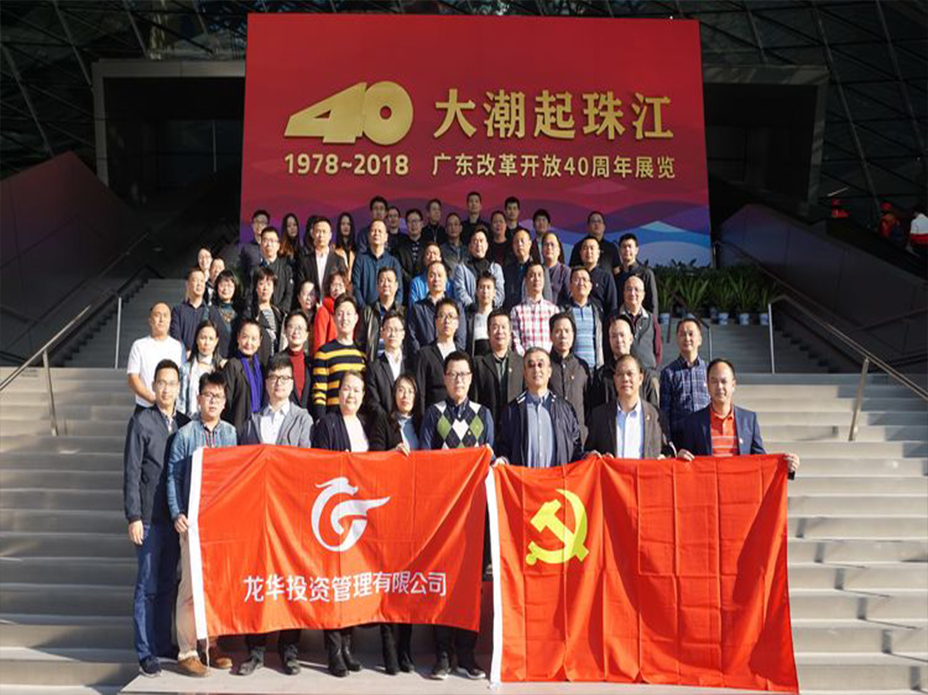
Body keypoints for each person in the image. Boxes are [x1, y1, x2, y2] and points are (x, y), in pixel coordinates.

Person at [238, 355, 313, 677]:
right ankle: (255, 649)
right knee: (259, 579)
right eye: (273, 378)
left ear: (293, 384)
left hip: (291, 513)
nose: (279, 383)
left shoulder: (303, 419)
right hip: (257, 513)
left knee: (290, 581)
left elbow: (304, 462)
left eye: (284, 378)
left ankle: (289, 649)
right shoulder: (252, 422)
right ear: (266, 382)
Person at [420, 351, 492, 681]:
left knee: (470, 586)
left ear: (471, 379)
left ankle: (466, 653)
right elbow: (424, 461)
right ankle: (442, 655)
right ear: (444, 378)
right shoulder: (433, 414)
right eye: (453, 374)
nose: (458, 380)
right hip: (442, 514)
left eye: (463, 374)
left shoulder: (483, 415)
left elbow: (490, 459)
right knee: (441, 582)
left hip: (474, 515)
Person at [166, 372, 237, 677]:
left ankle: (211, 644)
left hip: (219, 525)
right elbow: (172, 477)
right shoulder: (185, 435)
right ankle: (187, 650)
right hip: (192, 524)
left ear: (225, 402)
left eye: (218, 396)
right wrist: (177, 513)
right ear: (198, 399)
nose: (213, 401)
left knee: (216, 587)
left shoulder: (230, 434)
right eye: (208, 395)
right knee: (190, 588)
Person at [124, 359, 189, 677]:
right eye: (161, 383)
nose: (166, 389)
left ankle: (163, 643)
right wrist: (133, 516)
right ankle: (146, 651)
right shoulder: (141, 421)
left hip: (175, 518)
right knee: (147, 586)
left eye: (172, 383)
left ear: (179, 387)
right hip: (149, 519)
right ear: (153, 386)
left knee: (167, 584)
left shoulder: (185, 423)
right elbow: (132, 471)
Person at [311, 371, 375, 678]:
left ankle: (348, 646)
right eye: (347, 389)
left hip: (358, 516)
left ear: (363, 396)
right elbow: (321, 463)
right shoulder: (327, 424)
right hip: (333, 514)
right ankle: (333, 650)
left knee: (350, 583)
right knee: (334, 582)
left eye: (357, 390)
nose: (351, 395)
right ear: (338, 393)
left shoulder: (364, 424)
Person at [367, 373, 419, 675]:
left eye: (410, 391)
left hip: (415, 512)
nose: (405, 395)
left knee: (409, 582)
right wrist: (392, 455)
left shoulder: (423, 422)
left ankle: (405, 649)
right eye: (400, 390)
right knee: (389, 580)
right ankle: (388, 648)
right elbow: (373, 460)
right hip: (388, 510)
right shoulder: (383, 423)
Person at [675, 359, 801, 479]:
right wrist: (680, 460)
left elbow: (761, 462)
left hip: (740, 490)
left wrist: (785, 467)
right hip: (708, 490)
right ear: (707, 385)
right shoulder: (694, 422)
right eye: (714, 381)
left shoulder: (748, 420)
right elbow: (686, 467)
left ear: (733, 385)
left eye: (724, 381)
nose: (719, 386)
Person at [495, 347, 582, 467]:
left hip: (557, 478)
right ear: (524, 373)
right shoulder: (512, 411)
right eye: (531, 365)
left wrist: (589, 457)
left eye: (541, 365)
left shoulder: (566, 410)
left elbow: (576, 451)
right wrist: (503, 460)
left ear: (549, 371)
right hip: (524, 478)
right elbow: (504, 448)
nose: (536, 369)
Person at [585, 354, 674, 458]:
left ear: (640, 378)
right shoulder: (599, 417)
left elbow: (667, 451)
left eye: (630, 374)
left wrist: (665, 457)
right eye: (620, 374)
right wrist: (592, 456)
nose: (625, 379)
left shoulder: (656, 417)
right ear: (615, 379)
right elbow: (588, 452)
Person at [311, 295, 366, 419]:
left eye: (348, 314)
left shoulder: (362, 355)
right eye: (340, 314)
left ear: (356, 318)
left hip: (357, 421)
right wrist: (322, 421)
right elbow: (319, 393)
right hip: (333, 420)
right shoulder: (324, 353)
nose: (344, 318)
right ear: (334, 318)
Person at [588, 315, 658, 412]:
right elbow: (595, 413)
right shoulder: (601, 376)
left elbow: (653, 412)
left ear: (631, 338)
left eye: (622, 335)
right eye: (614, 336)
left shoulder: (643, 374)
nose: (619, 340)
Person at [127, 303, 185, 412]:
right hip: (145, 407)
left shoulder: (178, 347)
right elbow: (132, 378)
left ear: (170, 320)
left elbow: (182, 376)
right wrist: (153, 399)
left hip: (171, 409)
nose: (161, 319)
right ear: (150, 320)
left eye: (165, 315)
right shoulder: (139, 345)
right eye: (158, 315)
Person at [472, 309, 524, 429]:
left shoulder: (520, 362)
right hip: (487, 427)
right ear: (488, 332)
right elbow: (474, 400)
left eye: (503, 327)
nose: (500, 331)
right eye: (495, 327)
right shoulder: (478, 363)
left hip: (515, 427)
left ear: (510, 332)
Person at [660, 318, 710, 442]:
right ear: (677, 339)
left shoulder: (709, 370)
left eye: (691, 334)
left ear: (700, 339)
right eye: (682, 334)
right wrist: (668, 442)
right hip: (681, 438)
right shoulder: (669, 373)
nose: (687, 338)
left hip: (706, 436)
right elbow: (665, 412)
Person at [548, 312, 591, 442]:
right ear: (551, 335)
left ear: (573, 334)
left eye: (567, 331)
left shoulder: (582, 367)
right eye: (558, 331)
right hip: (552, 434)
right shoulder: (545, 366)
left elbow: (588, 403)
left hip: (579, 437)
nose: (563, 335)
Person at [414, 298, 463, 408]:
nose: (447, 321)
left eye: (451, 316)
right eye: (442, 316)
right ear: (435, 322)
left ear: (457, 323)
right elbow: (420, 393)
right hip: (433, 415)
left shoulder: (462, 357)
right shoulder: (424, 354)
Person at [409, 261, 466, 352]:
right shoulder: (417, 308)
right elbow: (412, 337)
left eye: (440, 275)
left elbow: (460, 339)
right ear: (426, 279)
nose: (436, 279)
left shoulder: (456, 306)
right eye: (432, 275)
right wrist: (423, 356)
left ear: (446, 279)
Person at [619, 276, 662, 394]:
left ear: (643, 295)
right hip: (624, 377)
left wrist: (653, 371)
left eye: (636, 289)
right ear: (623, 293)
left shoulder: (651, 319)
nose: (632, 293)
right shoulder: (615, 318)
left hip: (649, 376)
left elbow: (658, 350)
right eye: (628, 289)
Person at [221, 319, 264, 434]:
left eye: (254, 339)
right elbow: (226, 403)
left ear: (259, 341)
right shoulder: (232, 365)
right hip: (237, 429)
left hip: (259, 429)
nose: (249, 343)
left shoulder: (261, 367)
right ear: (238, 338)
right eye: (245, 337)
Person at [352, 220, 404, 307]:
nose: (376, 233)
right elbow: (355, 288)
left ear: (386, 237)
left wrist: (393, 309)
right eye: (373, 231)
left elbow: (399, 290)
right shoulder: (360, 260)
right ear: (368, 236)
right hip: (365, 312)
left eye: (380, 231)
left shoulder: (393, 262)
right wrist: (365, 310)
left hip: (389, 312)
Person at [510, 262, 559, 355]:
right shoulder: (516, 311)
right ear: (526, 280)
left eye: (540, 275)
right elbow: (516, 341)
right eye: (532, 275)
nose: (536, 279)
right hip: (525, 361)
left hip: (548, 360)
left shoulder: (553, 310)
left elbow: (556, 340)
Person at [561, 265, 604, 369]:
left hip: (595, 368)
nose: (581, 283)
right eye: (576, 280)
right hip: (573, 369)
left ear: (590, 286)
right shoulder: (564, 311)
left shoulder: (598, 312)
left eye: (584, 280)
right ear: (570, 286)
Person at [358, 266, 404, 363]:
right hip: (374, 365)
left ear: (396, 286)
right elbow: (360, 342)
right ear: (377, 286)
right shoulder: (368, 312)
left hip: (397, 365)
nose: (386, 284)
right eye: (382, 281)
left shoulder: (403, 312)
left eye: (389, 281)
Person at [178, 321, 224, 417]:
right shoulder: (185, 370)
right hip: (189, 421)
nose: (206, 343)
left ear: (216, 342)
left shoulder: (221, 370)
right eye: (203, 338)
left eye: (211, 339)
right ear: (196, 340)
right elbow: (180, 404)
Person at [365, 310, 406, 414]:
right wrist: (388, 421)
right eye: (388, 329)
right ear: (382, 333)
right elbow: (373, 402)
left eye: (396, 330)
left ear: (403, 334)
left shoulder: (411, 364)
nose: (392, 334)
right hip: (384, 421)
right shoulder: (374, 368)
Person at [299, 217, 347, 304]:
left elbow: (343, 286)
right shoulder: (305, 261)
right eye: (318, 231)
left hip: (332, 307)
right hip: (311, 307)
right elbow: (301, 286)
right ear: (312, 234)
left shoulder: (338, 260)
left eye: (324, 232)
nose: (321, 235)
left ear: (330, 235)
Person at [454, 226, 504, 309]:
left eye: (481, 241)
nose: (478, 244)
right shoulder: (461, 269)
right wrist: (471, 306)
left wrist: (488, 306)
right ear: (470, 247)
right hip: (469, 313)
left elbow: (500, 291)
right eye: (475, 241)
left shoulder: (495, 268)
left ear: (487, 245)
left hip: (492, 312)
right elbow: (459, 291)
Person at [502, 228, 552, 309]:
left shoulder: (540, 268)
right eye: (516, 242)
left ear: (529, 244)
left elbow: (547, 297)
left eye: (522, 241)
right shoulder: (507, 270)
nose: (519, 244)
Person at [249, 226, 293, 312]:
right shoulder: (255, 270)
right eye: (265, 240)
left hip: (281, 314)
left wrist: (278, 312)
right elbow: (250, 295)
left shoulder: (286, 268)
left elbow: (289, 294)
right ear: (261, 245)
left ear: (278, 245)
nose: (268, 244)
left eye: (272, 241)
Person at [615, 233, 659, 316]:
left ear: (636, 250)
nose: (627, 249)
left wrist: (653, 321)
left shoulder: (646, 273)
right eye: (624, 247)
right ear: (619, 250)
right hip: (622, 320)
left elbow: (653, 303)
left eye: (630, 246)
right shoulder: (617, 276)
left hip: (642, 320)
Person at [575, 235, 618, 318]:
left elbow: (612, 305)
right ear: (580, 253)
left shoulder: (606, 276)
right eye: (585, 248)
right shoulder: (575, 275)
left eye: (592, 248)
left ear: (598, 253)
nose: (588, 252)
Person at [170, 268, 210, 354]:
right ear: (187, 284)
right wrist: (186, 352)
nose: (199, 284)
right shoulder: (178, 311)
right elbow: (175, 335)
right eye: (195, 280)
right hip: (183, 357)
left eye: (202, 281)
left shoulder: (210, 311)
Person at [278, 311, 313, 409]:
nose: (296, 331)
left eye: (300, 328)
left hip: (308, 417)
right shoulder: (277, 361)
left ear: (306, 334)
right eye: (291, 327)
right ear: (285, 331)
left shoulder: (311, 363)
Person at [249, 266, 283, 365]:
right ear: (256, 288)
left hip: (275, 362)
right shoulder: (250, 312)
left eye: (269, 284)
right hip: (257, 361)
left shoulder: (277, 313)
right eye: (261, 284)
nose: (265, 288)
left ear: (273, 289)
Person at [313, 270, 349, 355]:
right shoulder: (323, 311)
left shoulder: (349, 310)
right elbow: (319, 343)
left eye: (340, 285)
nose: (337, 289)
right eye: (334, 285)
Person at [207, 269, 239, 359]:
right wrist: (219, 360)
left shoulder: (240, 312)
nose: (225, 289)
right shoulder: (210, 311)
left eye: (229, 286)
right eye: (222, 285)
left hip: (238, 362)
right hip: (216, 361)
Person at [464, 271, 496, 357]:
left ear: (494, 292)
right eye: (481, 287)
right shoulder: (469, 320)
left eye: (488, 287)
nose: (485, 291)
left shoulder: (500, 318)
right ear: (476, 292)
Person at [394, 208, 426, 285]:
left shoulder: (428, 246)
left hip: (425, 286)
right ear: (406, 224)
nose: (413, 224)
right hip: (405, 287)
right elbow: (398, 267)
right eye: (410, 221)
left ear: (422, 224)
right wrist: (412, 281)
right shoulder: (399, 247)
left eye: (416, 221)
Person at [285, 279, 316, 357]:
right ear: (298, 297)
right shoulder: (291, 318)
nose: (308, 298)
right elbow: (284, 342)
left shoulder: (319, 318)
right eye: (305, 294)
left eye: (312, 294)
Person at [239, 209, 270, 281]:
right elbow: (243, 273)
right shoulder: (246, 248)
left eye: (262, 223)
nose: (259, 225)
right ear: (252, 225)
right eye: (256, 222)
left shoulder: (272, 246)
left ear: (267, 226)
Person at [540, 231, 570, 304]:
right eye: (546, 244)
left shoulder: (565, 271)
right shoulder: (538, 270)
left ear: (559, 251)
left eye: (552, 245)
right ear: (541, 250)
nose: (549, 247)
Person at [440, 213, 468, 277]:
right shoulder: (441, 250)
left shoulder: (467, 250)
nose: (453, 227)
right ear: (446, 229)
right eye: (450, 225)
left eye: (456, 224)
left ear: (461, 228)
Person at [334, 212, 358, 278]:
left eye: (348, 224)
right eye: (343, 224)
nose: (346, 226)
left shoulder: (357, 249)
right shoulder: (333, 248)